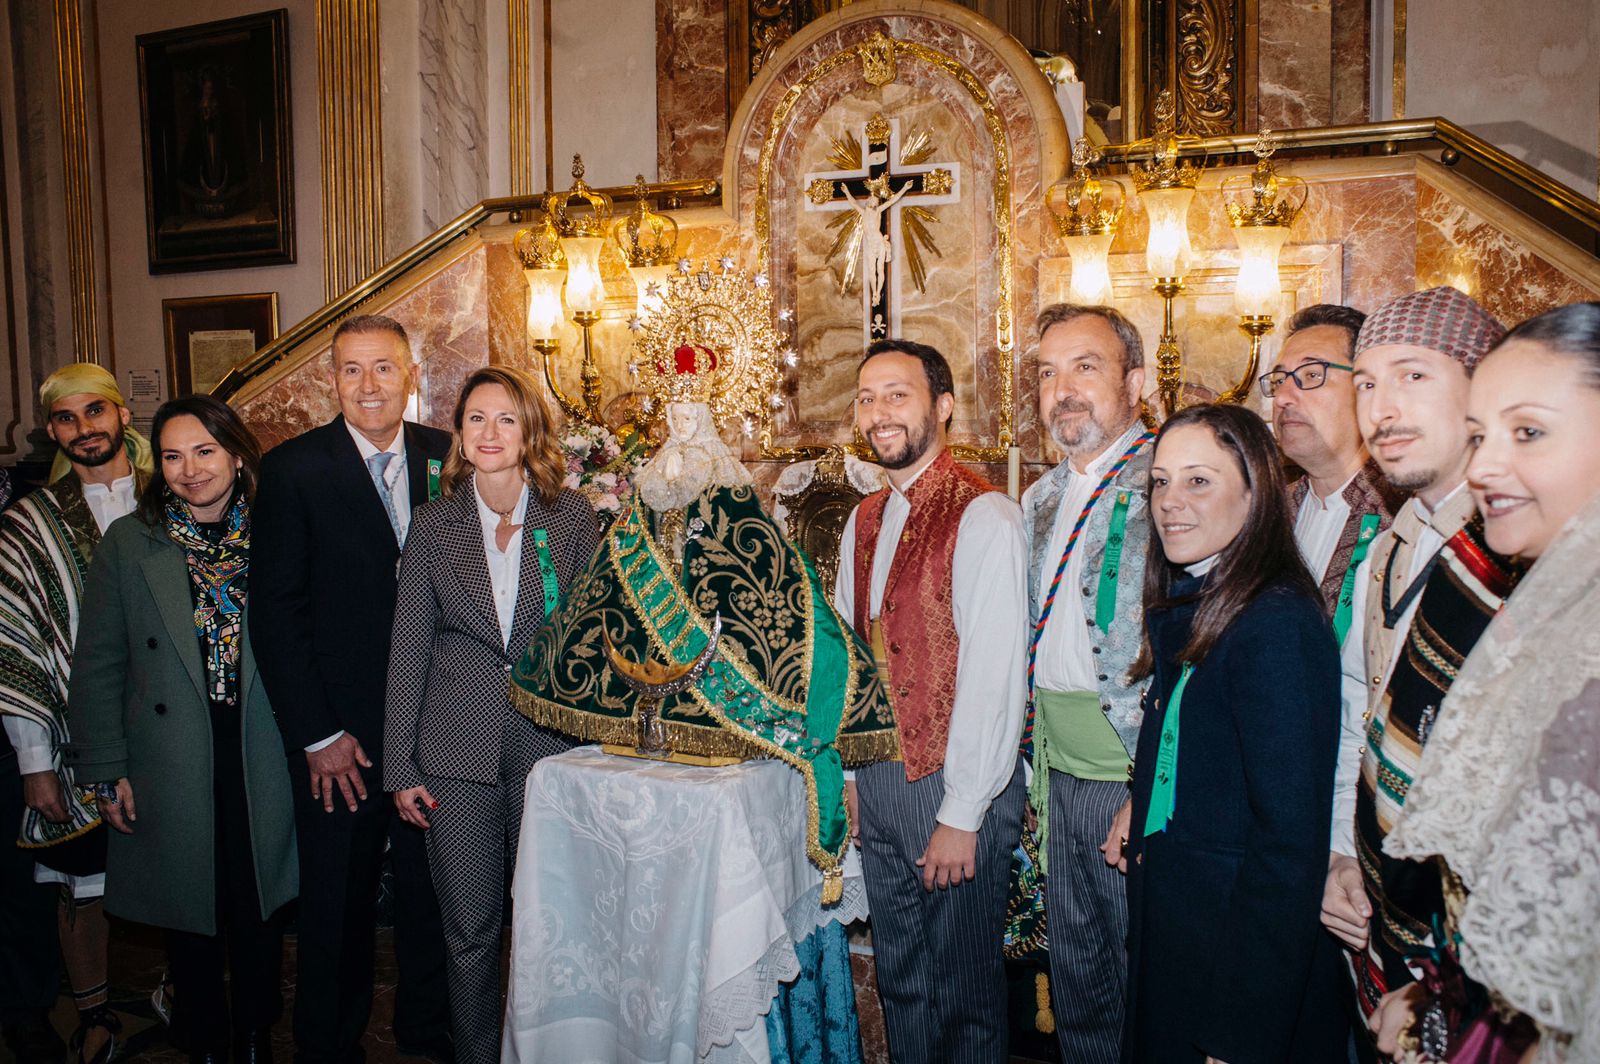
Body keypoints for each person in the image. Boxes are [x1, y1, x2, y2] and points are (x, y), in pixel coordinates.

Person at [1381, 303, 1600, 1063]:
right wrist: (1436, 1000)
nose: (1482, 468)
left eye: (1528, 432)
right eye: (1479, 437)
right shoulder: (1545, 603)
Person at [65, 396, 297, 1064]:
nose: (190, 470)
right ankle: (202, 1037)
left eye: (204, 452)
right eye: (172, 455)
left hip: (261, 748)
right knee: (190, 913)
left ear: (235, 454)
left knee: (256, 906)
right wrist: (104, 769)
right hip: (170, 755)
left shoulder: (276, 529)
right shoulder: (132, 540)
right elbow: (100, 663)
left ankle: (254, 1034)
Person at [250, 315, 453, 1063]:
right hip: (344, 738)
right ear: (330, 380)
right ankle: (330, 1047)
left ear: (411, 375)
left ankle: (429, 1034)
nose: (368, 386)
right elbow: (275, 613)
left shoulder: (448, 455)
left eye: (383, 368)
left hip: (436, 727)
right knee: (336, 907)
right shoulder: (296, 468)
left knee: (434, 898)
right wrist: (317, 734)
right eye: (350, 370)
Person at [1319, 287, 1519, 1044]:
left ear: (1484, 386)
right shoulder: (1386, 552)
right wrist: (1341, 852)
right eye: (1365, 383)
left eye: (1413, 375)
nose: (1382, 408)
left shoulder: (1523, 552)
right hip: (1385, 914)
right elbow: (1355, 720)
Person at [384, 367, 597, 1064]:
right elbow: (409, 647)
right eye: (476, 419)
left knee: (553, 923)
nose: (490, 432)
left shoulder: (572, 518)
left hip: (551, 749)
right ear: (459, 436)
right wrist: (398, 766)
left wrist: (602, 746)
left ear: (529, 431)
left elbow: (594, 636)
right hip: (455, 754)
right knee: (470, 929)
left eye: (506, 418)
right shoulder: (433, 525)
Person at [1123, 403, 1346, 1064]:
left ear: (1255, 494)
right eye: (1160, 482)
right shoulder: (1199, 599)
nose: (1170, 502)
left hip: (1232, 962)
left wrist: (1238, 1032)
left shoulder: (1274, 622)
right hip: (1187, 929)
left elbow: (1288, 847)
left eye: (1199, 481)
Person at [834, 338, 1028, 1062]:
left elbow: (995, 675)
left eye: (897, 394)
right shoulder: (864, 519)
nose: (878, 412)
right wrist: (852, 778)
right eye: (866, 397)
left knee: (964, 995)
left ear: (942, 407)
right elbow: (853, 660)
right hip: (881, 780)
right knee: (904, 982)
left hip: (954, 783)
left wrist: (962, 812)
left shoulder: (986, 516)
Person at [0, 364, 154, 1064]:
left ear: (122, 415)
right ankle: (94, 1016)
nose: (85, 427)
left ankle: (180, 996)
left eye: (97, 411)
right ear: (54, 432)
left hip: (174, 733)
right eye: (67, 418)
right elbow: (16, 643)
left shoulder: (173, 495)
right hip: (73, 739)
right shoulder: (28, 524)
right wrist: (35, 766)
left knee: (184, 870)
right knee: (82, 883)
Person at [1019, 304, 1152, 1064]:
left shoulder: (1171, 478)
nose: (1062, 389)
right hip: (1057, 773)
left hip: (1128, 774)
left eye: (1086, 367)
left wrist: (1152, 787)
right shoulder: (1041, 498)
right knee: (1078, 979)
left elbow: (1195, 648)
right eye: (1047, 373)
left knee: (1142, 984)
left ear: (1135, 381)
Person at [1264, 304, 1404, 632]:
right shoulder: (1267, 513)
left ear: (1367, 389)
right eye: (1279, 379)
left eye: (1311, 375)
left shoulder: (1406, 516)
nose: (1283, 396)